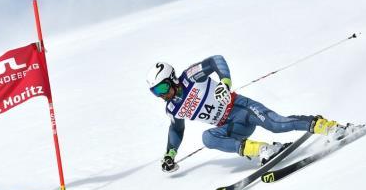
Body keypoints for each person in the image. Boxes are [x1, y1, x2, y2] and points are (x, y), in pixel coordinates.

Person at [147, 55, 349, 173]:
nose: (162, 95)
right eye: (156, 92)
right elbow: (176, 128)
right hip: (231, 127)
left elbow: (216, 60)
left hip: (241, 109)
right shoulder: (173, 108)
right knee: (208, 137)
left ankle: (330, 127)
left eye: (163, 87)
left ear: (172, 79)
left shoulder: (190, 77)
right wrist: (170, 154)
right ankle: (263, 150)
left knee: (278, 125)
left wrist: (225, 82)